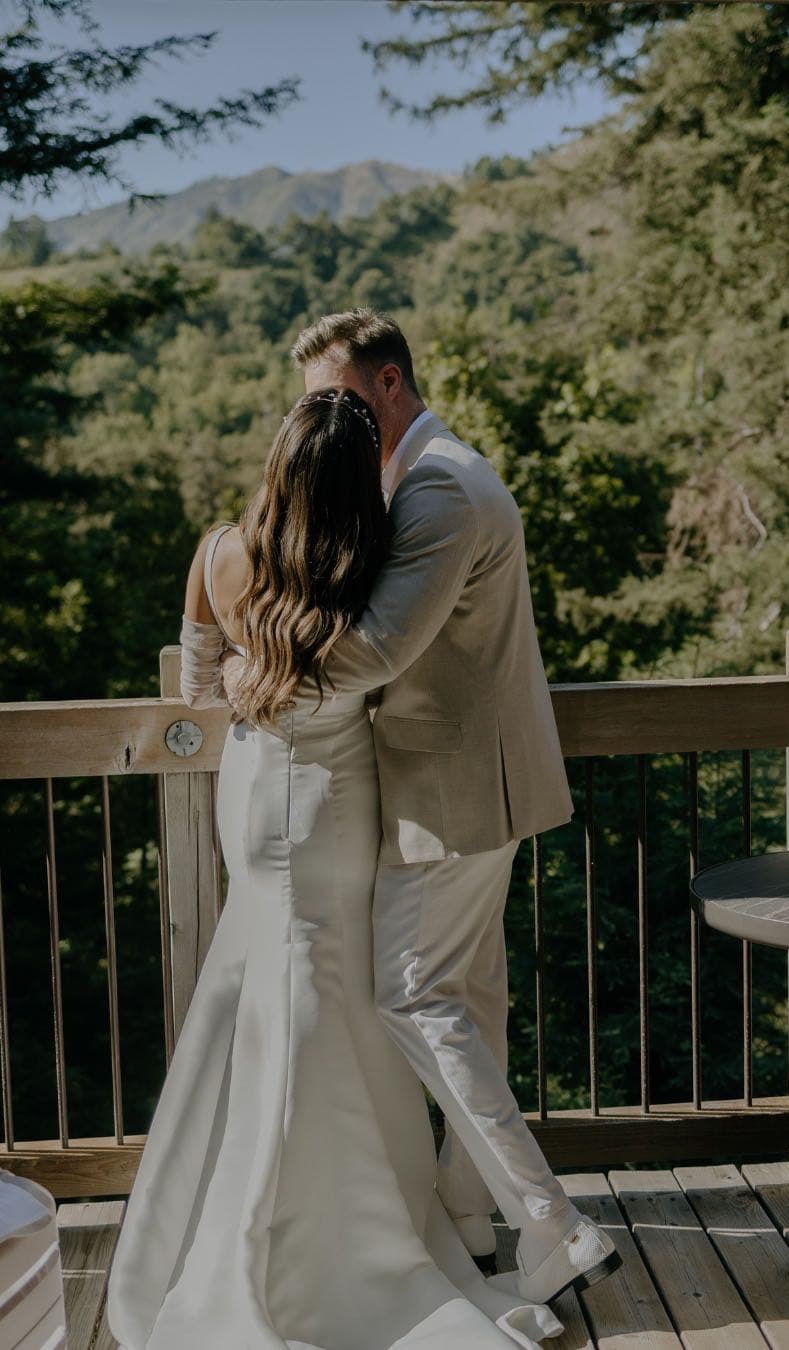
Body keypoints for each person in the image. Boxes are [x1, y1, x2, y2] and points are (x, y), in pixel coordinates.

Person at [106, 387, 566, 1350]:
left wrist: (242, 676)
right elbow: (384, 666)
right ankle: (361, 1212)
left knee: (262, 965)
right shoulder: (365, 568)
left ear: (277, 463)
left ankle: (228, 1217)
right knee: (342, 978)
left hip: (251, 788)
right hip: (341, 799)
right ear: (361, 481)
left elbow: (197, 688)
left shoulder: (219, 552)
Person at [261, 309, 622, 1305]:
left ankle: (555, 1225)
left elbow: (377, 652)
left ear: (387, 384)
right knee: (467, 1001)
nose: (320, 418)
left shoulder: (441, 488)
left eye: (334, 396)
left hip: (449, 791)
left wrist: (262, 657)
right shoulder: (425, 474)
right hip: (469, 784)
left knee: (411, 995)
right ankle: (471, 1212)